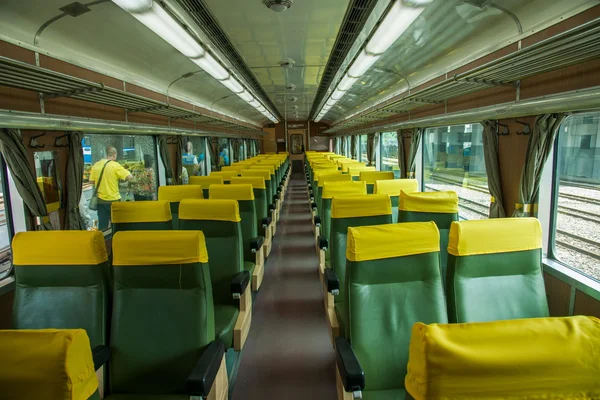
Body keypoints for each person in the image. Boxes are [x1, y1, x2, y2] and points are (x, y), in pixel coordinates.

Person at [89, 146, 133, 230]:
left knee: (103, 226)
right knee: (116, 225)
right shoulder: (115, 165)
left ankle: (104, 242)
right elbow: (130, 176)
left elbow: (91, 181)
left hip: (101, 201)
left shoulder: (96, 165)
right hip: (114, 200)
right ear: (114, 155)